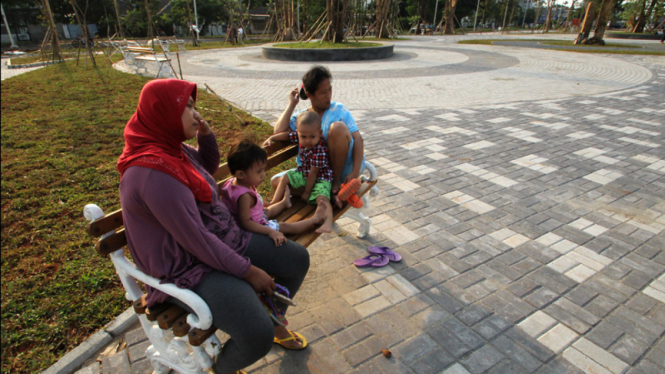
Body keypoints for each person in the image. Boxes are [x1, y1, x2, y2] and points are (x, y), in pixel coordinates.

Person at [117, 79, 309, 374]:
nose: (196, 113)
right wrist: (248, 271)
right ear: (165, 112)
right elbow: (197, 240)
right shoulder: (153, 173)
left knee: (296, 259)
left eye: (195, 106)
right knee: (255, 333)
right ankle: (222, 368)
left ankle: (274, 323)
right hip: (188, 268)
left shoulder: (172, 151)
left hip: (221, 237)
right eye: (187, 106)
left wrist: (205, 135)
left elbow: (204, 166)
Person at [270, 65, 365, 202]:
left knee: (337, 128)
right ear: (309, 95)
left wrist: (355, 173)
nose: (328, 96)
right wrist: (292, 104)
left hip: (343, 171)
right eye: (323, 92)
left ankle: (336, 184)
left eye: (329, 90)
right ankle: (328, 195)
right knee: (276, 182)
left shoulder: (339, 109)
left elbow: (358, 140)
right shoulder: (303, 118)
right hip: (313, 175)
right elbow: (278, 131)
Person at [221, 139, 327, 244]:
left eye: (263, 169)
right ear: (240, 174)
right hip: (254, 228)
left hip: (254, 216)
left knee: (268, 211)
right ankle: (315, 219)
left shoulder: (233, 183)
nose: (263, 174)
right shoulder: (244, 196)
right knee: (285, 226)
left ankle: (283, 203)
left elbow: (250, 207)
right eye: (259, 171)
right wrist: (270, 231)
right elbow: (246, 223)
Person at [266, 111, 335, 233]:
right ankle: (274, 202)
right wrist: (272, 137)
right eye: (303, 137)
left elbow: (314, 173)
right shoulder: (301, 136)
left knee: (322, 198)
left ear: (319, 133)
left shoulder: (320, 149)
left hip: (321, 178)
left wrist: (307, 192)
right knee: (285, 177)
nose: (307, 140)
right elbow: (287, 136)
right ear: (298, 133)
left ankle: (328, 221)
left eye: (312, 137)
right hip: (304, 173)